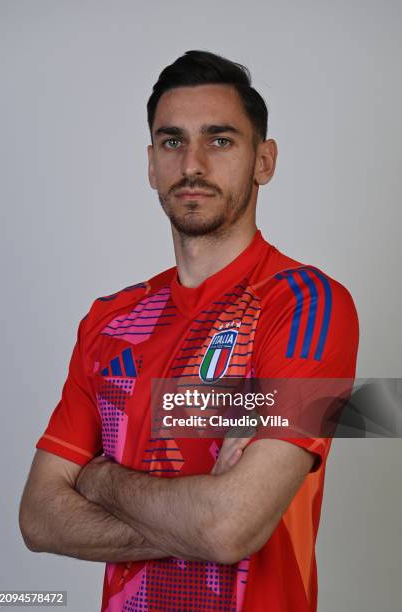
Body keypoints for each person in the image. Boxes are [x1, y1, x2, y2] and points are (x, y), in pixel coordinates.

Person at [19, 50, 359, 612]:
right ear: (151, 164)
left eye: (220, 140)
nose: (192, 163)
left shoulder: (308, 306)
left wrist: (101, 483)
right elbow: (37, 518)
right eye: (172, 141)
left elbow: (230, 527)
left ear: (264, 161)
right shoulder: (108, 322)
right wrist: (199, 520)